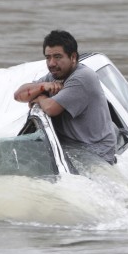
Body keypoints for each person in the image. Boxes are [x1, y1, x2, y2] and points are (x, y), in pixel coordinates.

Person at [13, 30, 117, 163]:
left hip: (96, 153)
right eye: (48, 57)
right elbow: (18, 95)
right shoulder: (55, 76)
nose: (51, 63)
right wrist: (42, 86)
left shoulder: (82, 77)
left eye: (57, 57)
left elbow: (51, 108)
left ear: (73, 57)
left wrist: (40, 98)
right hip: (74, 148)